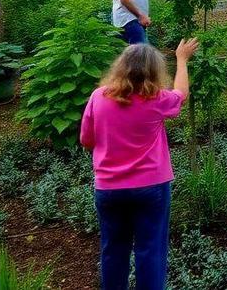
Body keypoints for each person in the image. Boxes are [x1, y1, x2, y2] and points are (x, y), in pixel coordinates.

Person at [81, 38, 198, 290]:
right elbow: (182, 94)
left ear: (120, 67)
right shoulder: (156, 99)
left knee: (113, 250)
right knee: (151, 250)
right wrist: (182, 60)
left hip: (108, 188)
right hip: (151, 187)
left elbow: (86, 139)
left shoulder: (98, 97)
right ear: (154, 71)